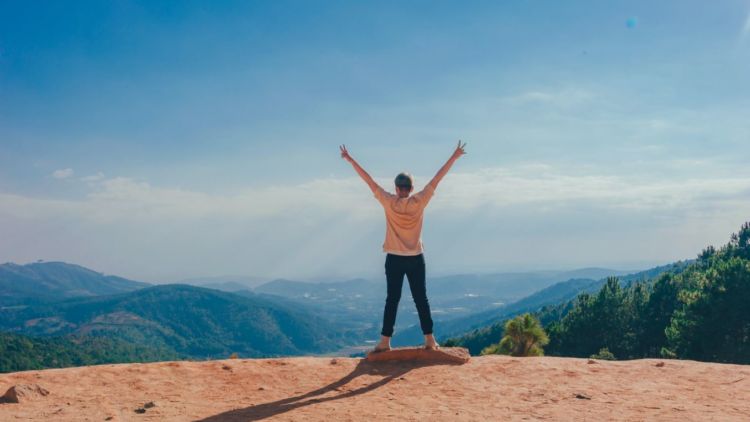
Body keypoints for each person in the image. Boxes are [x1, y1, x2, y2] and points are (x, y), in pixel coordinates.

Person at [340, 140, 467, 352]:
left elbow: (368, 181)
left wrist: (350, 160)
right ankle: (429, 340)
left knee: (392, 300)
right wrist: (454, 156)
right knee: (421, 299)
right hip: (416, 257)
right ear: (411, 188)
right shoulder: (420, 201)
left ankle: (385, 342)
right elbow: (438, 178)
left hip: (394, 258)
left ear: (397, 188)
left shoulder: (388, 201)